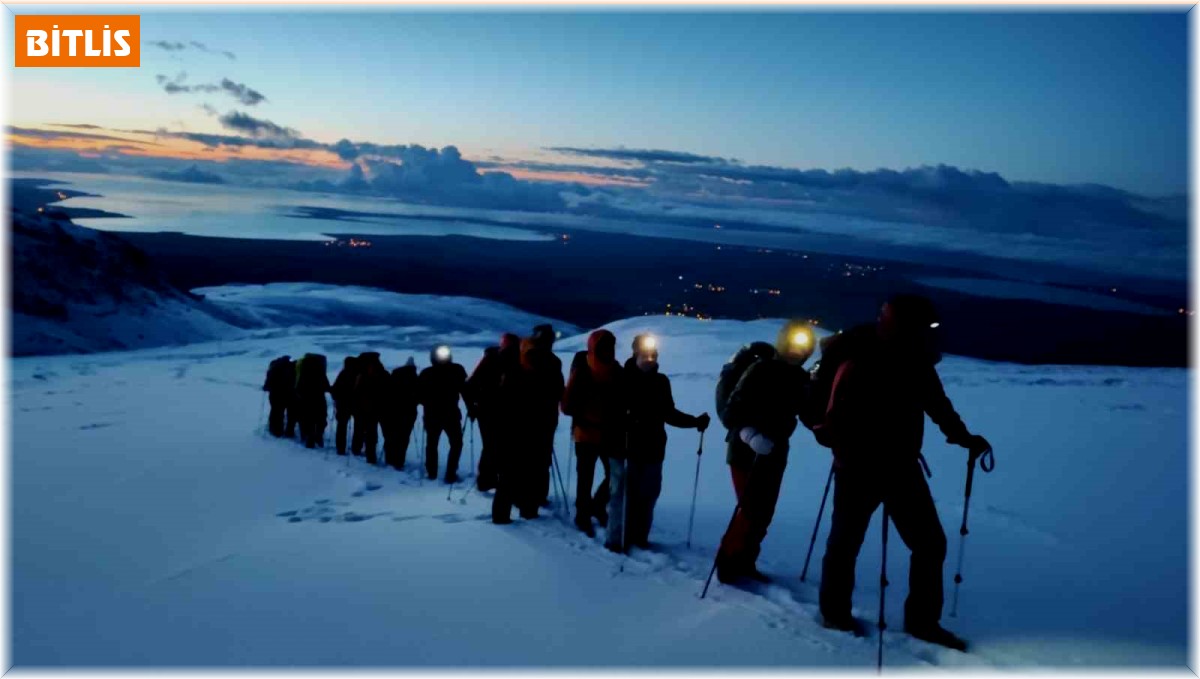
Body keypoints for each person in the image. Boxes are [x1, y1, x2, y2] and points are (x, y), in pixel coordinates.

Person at [813, 294, 990, 651]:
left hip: (882, 466)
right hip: (867, 467)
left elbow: (937, 405)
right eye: (924, 328)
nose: (930, 335)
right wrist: (963, 438)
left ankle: (849, 614)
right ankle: (884, 618)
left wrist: (964, 438)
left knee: (860, 543)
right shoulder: (865, 356)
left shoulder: (913, 358)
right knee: (872, 543)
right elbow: (937, 405)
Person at [715, 320, 817, 584]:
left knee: (764, 513)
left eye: (802, 348)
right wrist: (750, 435)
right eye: (792, 345)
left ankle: (746, 561)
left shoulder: (800, 379)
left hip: (776, 453)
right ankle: (726, 562)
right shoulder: (759, 370)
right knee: (749, 510)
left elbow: (809, 414)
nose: (796, 352)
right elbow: (731, 413)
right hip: (744, 451)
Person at [622, 334, 710, 549]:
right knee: (629, 495)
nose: (650, 359)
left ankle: (640, 537)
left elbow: (668, 413)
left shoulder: (661, 382)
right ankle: (624, 535)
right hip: (627, 447)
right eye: (646, 355)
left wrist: (694, 422)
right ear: (635, 354)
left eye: (653, 355)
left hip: (654, 447)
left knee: (649, 494)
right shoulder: (623, 378)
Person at [561, 329, 626, 539]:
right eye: (604, 347)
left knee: (611, 476)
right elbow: (566, 406)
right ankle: (584, 515)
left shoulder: (616, 370)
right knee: (588, 478)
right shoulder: (585, 371)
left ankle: (594, 508)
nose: (608, 351)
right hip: (588, 434)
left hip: (603, 434)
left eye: (610, 347)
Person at [492, 337, 564, 523]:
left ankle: (514, 511)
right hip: (527, 430)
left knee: (521, 471)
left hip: (526, 430)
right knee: (524, 471)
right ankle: (522, 509)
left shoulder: (517, 372)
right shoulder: (544, 372)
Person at [466, 333, 520, 491]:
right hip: (494, 410)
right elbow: (470, 386)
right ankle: (489, 480)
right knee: (495, 445)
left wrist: (473, 407)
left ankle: (489, 479)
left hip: (490, 410)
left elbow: (469, 386)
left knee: (492, 445)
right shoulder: (509, 360)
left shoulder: (492, 359)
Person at [418, 345, 469, 483]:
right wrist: (471, 407)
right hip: (449, 414)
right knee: (453, 444)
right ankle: (448, 473)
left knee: (434, 444)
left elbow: (419, 396)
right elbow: (465, 391)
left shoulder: (426, 373)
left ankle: (434, 473)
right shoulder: (457, 370)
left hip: (435, 415)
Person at [528, 323, 564, 506]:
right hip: (545, 416)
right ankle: (538, 495)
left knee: (528, 456)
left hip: (527, 416)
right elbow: (558, 390)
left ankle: (526, 494)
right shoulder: (553, 361)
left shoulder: (524, 358)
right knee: (541, 458)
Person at [353, 352, 390, 465]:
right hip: (383, 407)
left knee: (370, 433)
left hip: (368, 408)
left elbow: (357, 392)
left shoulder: (362, 376)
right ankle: (390, 458)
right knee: (387, 434)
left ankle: (371, 457)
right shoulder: (384, 374)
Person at [383, 358, 419, 470]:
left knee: (392, 435)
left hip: (392, 410)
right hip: (409, 412)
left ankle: (389, 458)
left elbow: (387, 391)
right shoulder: (415, 378)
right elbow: (419, 396)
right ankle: (399, 461)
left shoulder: (395, 374)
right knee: (404, 437)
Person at [294, 353, 330, 449]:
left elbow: (299, 386)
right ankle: (319, 436)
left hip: (306, 399)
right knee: (320, 418)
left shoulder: (304, 371)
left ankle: (310, 440)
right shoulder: (320, 370)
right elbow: (326, 386)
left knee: (308, 418)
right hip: (319, 398)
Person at [330, 356, 359, 456]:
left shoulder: (343, 373)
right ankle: (356, 448)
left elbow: (335, 389)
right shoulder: (359, 374)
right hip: (356, 404)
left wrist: (335, 397)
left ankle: (340, 448)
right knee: (358, 427)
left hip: (342, 404)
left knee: (341, 426)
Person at [262, 355, 295, 438]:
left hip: (275, 394)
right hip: (289, 393)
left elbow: (268, 381)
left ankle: (276, 431)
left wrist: (266, 387)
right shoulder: (291, 367)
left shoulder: (274, 366)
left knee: (276, 412)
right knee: (290, 414)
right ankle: (289, 432)